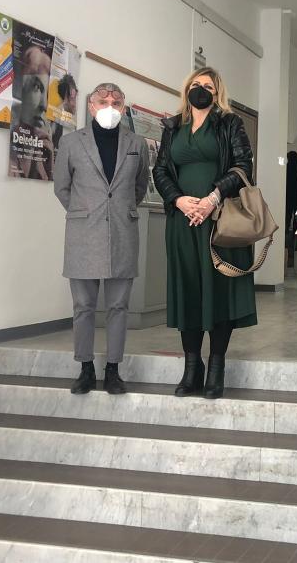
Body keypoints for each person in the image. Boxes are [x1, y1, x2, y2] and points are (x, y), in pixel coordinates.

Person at [153, 67, 257, 400]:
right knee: (188, 290)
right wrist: (179, 200)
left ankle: (216, 367)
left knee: (220, 292)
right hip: (183, 221)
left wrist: (213, 197)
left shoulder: (229, 123)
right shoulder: (173, 126)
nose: (201, 90)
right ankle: (191, 367)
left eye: (208, 86)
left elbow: (243, 166)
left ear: (217, 93)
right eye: (196, 85)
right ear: (186, 89)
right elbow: (160, 170)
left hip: (220, 220)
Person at [53, 83, 150, 395]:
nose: (110, 106)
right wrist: (85, 212)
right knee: (83, 305)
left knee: (119, 305)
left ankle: (113, 370)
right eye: (104, 101)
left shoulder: (137, 143)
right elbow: (62, 187)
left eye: (116, 102)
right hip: (83, 234)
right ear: (91, 106)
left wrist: (118, 210)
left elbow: (140, 184)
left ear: (123, 107)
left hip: (123, 232)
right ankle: (84, 368)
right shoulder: (70, 142)